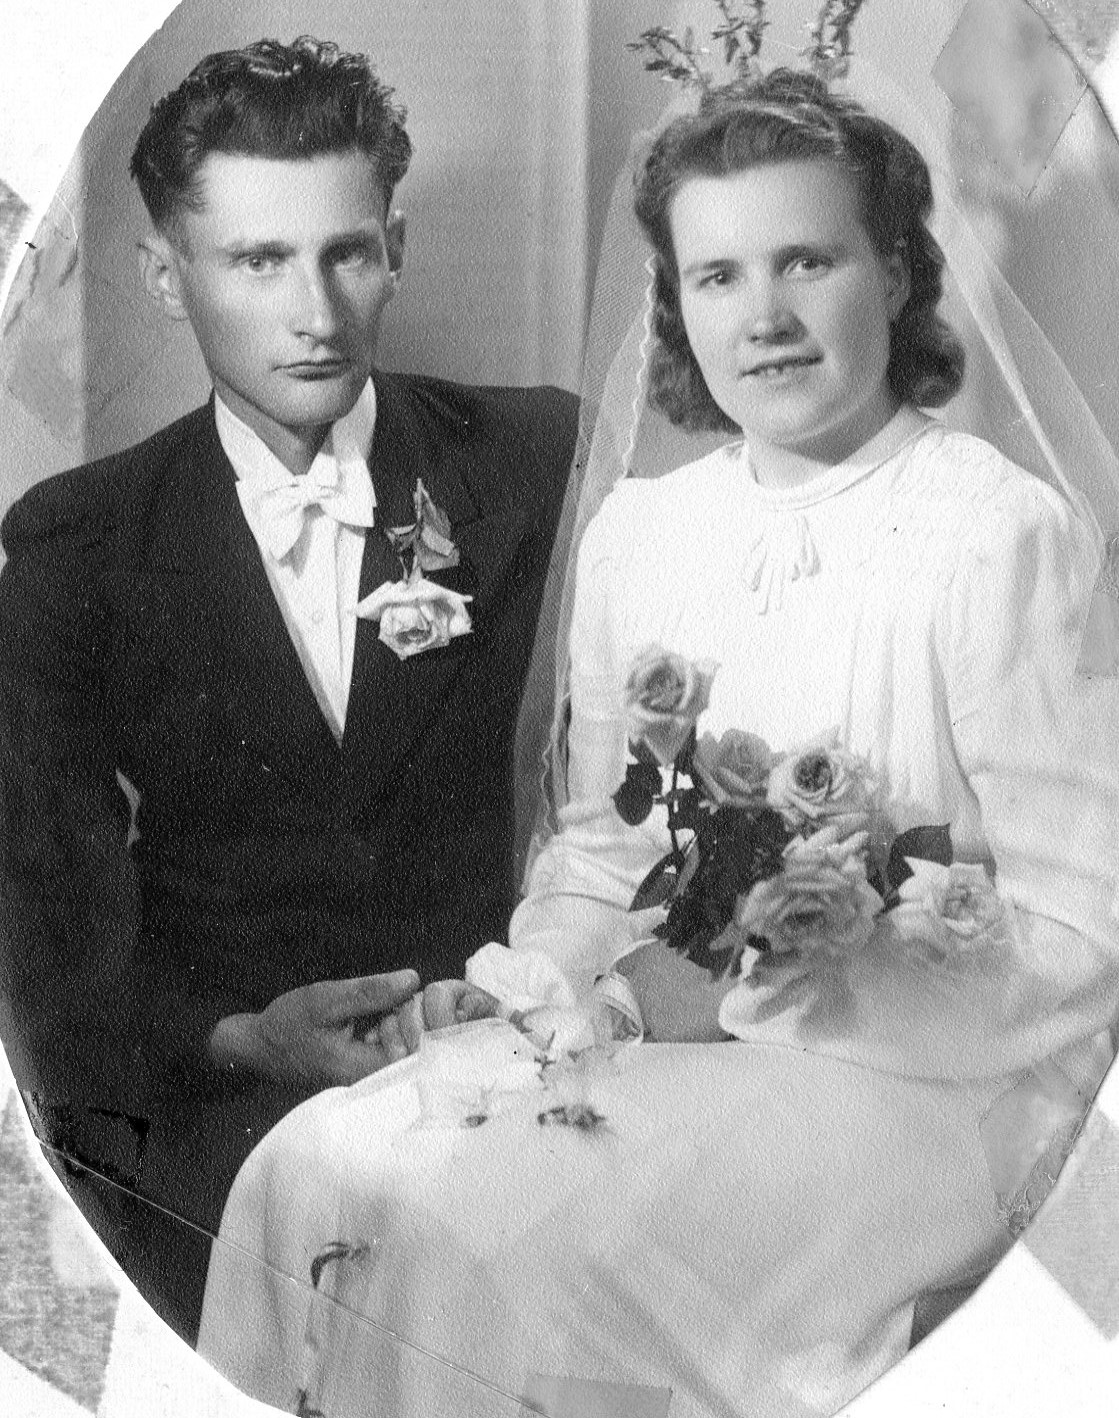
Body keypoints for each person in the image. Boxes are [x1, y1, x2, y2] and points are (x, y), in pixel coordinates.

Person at [283, 61, 1119, 1416]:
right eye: (719, 276)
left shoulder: (993, 534)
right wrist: (538, 989)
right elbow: (603, 849)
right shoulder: (644, 533)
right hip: (654, 1038)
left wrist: (747, 990)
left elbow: (1083, 934)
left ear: (897, 275)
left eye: (809, 261)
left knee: (500, 1244)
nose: (765, 317)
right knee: (320, 1163)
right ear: (679, 302)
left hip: (925, 1085)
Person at [0, 34, 577, 1343]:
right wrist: (244, 1038)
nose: (315, 312)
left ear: (395, 249)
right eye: (258, 260)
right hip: (217, 1105)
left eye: (346, 252)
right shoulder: (77, 538)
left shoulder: (535, 455)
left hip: (498, 1063)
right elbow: (50, 928)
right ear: (166, 275)